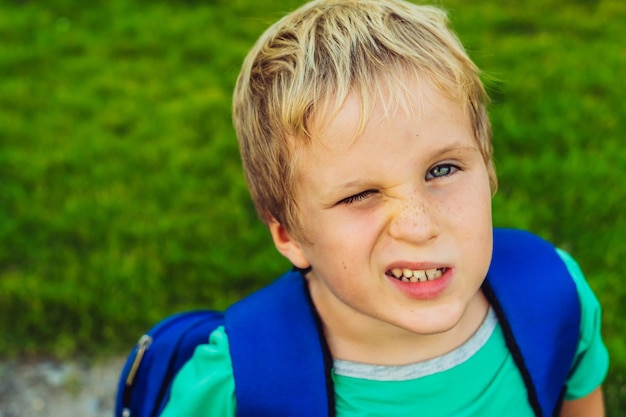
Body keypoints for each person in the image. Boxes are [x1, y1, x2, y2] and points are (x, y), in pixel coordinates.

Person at [161, 0, 609, 415]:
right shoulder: (238, 386)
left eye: (442, 170)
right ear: (288, 236)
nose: (418, 226)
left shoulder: (555, 296)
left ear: (488, 167)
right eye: (359, 195)